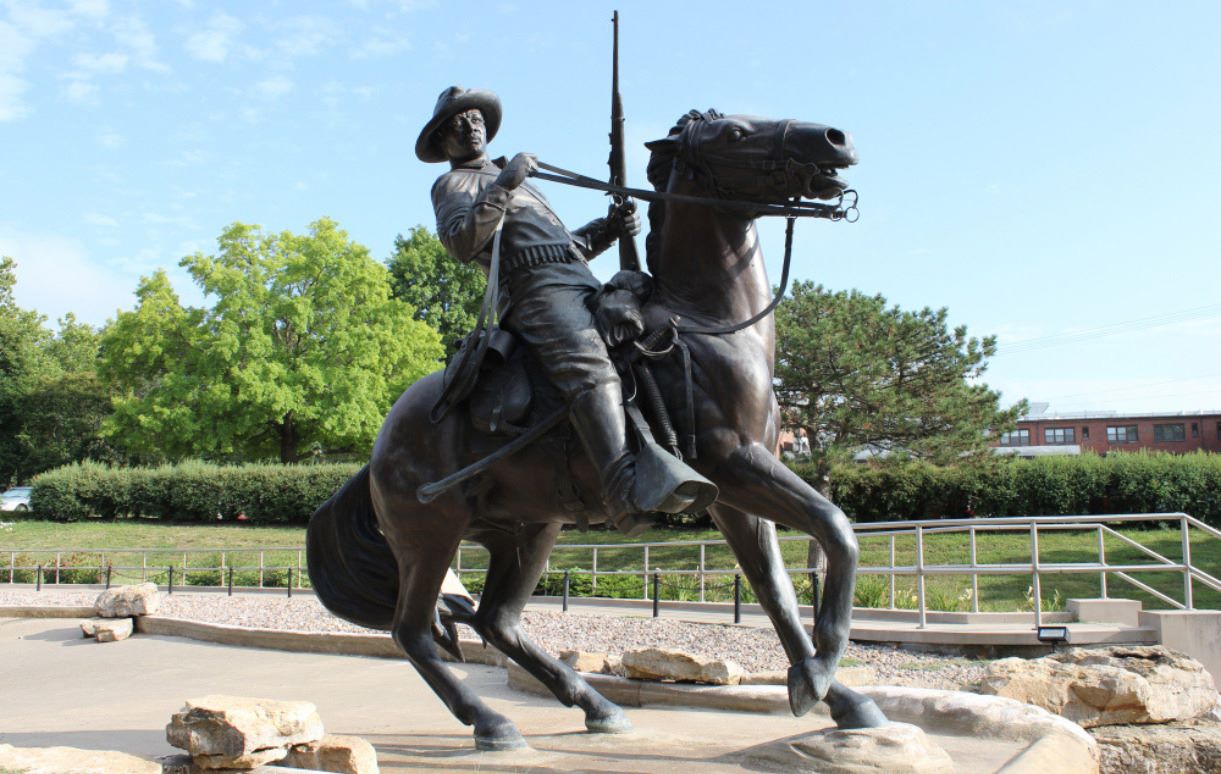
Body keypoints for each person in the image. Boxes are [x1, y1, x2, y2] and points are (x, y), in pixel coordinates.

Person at [416, 86, 691, 537]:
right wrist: (504, 185)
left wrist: (608, 228)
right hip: (532, 292)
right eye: (457, 123)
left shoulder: (522, 182)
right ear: (443, 141)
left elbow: (565, 248)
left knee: (660, 320)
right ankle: (621, 488)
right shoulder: (452, 184)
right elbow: (463, 243)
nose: (471, 126)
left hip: (578, 281)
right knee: (585, 360)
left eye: (475, 118)